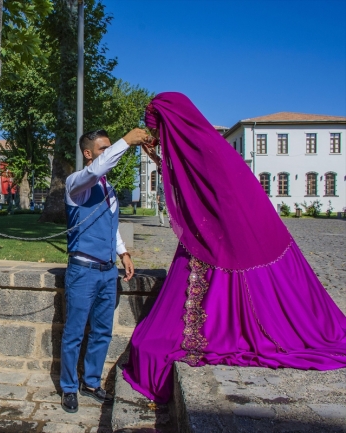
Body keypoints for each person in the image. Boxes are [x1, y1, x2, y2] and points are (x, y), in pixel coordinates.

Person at [123, 92, 346, 403]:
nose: (160, 138)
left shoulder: (203, 146)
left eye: (160, 133)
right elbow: (189, 184)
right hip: (218, 231)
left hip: (231, 233)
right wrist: (158, 158)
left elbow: (202, 190)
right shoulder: (200, 144)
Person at [61, 128, 152, 413]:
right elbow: (98, 169)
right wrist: (127, 141)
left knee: (102, 331)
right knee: (74, 333)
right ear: (88, 153)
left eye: (109, 147)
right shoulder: (76, 182)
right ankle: (68, 387)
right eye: (103, 149)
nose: (108, 153)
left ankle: (91, 382)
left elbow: (110, 228)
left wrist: (123, 253)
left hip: (106, 272)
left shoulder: (108, 189)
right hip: (83, 271)